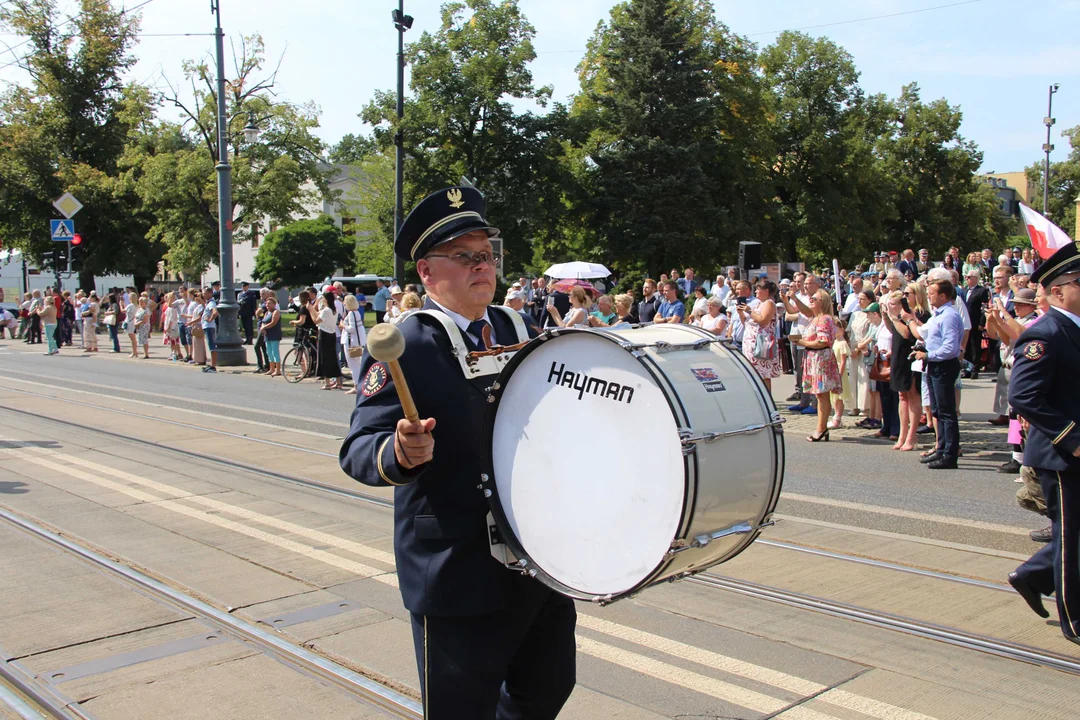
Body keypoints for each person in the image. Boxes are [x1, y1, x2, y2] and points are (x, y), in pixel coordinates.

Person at [339, 186, 575, 718]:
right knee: (461, 710)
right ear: (426, 273)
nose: (482, 267)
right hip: (456, 569)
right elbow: (357, 449)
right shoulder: (409, 345)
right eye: (465, 257)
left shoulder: (522, 329)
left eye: (487, 256)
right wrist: (399, 450)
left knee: (547, 688)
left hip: (536, 559)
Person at [1006, 241, 1080, 646]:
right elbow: (1025, 397)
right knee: (1072, 540)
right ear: (1057, 291)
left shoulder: (1074, 329)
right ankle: (1075, 620)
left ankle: (1032, 576)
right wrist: (1074, 439)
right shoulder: (1046, 333)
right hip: (1063, 455)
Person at [912, 278, 964, 469]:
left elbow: (950, 348)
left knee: (946, 412)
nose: (929, 296)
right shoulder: (937, 314)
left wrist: (928, 354)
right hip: (933, 364)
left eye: (932, 293)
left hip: (943, 365)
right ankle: (941, 449)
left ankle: (950, 454)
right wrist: (922, 348)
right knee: (937, 411)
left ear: (943, 295)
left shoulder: (949, 315)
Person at [796, 289, 841, 441]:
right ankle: (822, 428)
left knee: (822, 395)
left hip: (821, 358)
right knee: (818, 394)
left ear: (823, 302)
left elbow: (823, 341)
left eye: (814, 298)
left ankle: (821, 428)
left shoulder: (825, 319)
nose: (811, 300)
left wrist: (802, 342)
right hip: (813, 357)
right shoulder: (815, 318)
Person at [739, 280, 780, 389]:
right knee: (753, 374)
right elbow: (747, 322)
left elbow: (763, 321)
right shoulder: (759, 303)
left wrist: (749, 311)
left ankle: (767, 402)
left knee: (763, 375)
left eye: (758, 289)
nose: (756, 291)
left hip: (762, 344)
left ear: (766, 291)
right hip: (751, 344)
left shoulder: (769, 303)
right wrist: (741, 313)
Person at [315, 290, 344, 390]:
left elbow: (316, 320)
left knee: (325, 357)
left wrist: (311, 309)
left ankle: (327, 382)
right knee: (333, 357)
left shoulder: (326, 310)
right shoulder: (333, 310)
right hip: (332, 334)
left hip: (324, 334)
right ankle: (338, 381)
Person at [340, 294, 366, 391]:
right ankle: (358, 384)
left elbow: (352, 329)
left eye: (345, 302)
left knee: (353, 365)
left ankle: (356, 386)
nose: (344, 304)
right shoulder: (356, 313)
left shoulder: (351, 314)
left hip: (351, 342)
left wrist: (343, 326)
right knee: (356, 364)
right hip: (355, 341)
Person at [260, 296, 283, 377]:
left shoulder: (276, 312)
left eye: (269, 303)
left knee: (275, 352)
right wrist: (262, 327)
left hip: (274, 334)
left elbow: (274, 322)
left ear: (274, 304)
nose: (267, 305)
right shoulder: (266, 313)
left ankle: (278, 370)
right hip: (267, 335)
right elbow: (263, 321)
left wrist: (264, 327)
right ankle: (271, 368)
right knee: (269, 352)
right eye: (266, 304)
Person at [201, 289, 219, 372]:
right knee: (210, 346)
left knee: (212, 346)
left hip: (209, 327)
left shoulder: (212, 303)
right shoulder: (208, 303)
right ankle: (212, 364)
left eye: (205, 293)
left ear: (210, 293)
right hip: (207, 326)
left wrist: (210, 319)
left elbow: (215, 312)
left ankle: (213, 366)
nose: (203, 295)